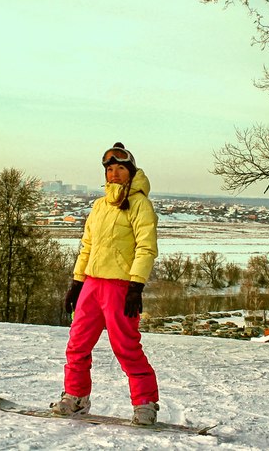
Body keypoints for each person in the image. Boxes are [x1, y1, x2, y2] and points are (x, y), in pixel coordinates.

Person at [52, 142, 159, 426]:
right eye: (109, 169)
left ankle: (145, 403)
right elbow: (87, 246)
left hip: (120, 287)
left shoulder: (139, 205)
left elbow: (146, 248)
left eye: (119, 168)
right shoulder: (99, 206)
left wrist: (136, 286)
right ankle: (75, 397)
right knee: (77, 343)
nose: (113, 173)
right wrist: (77, 282)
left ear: (130, 172)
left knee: (126, 347)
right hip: (92, 284)